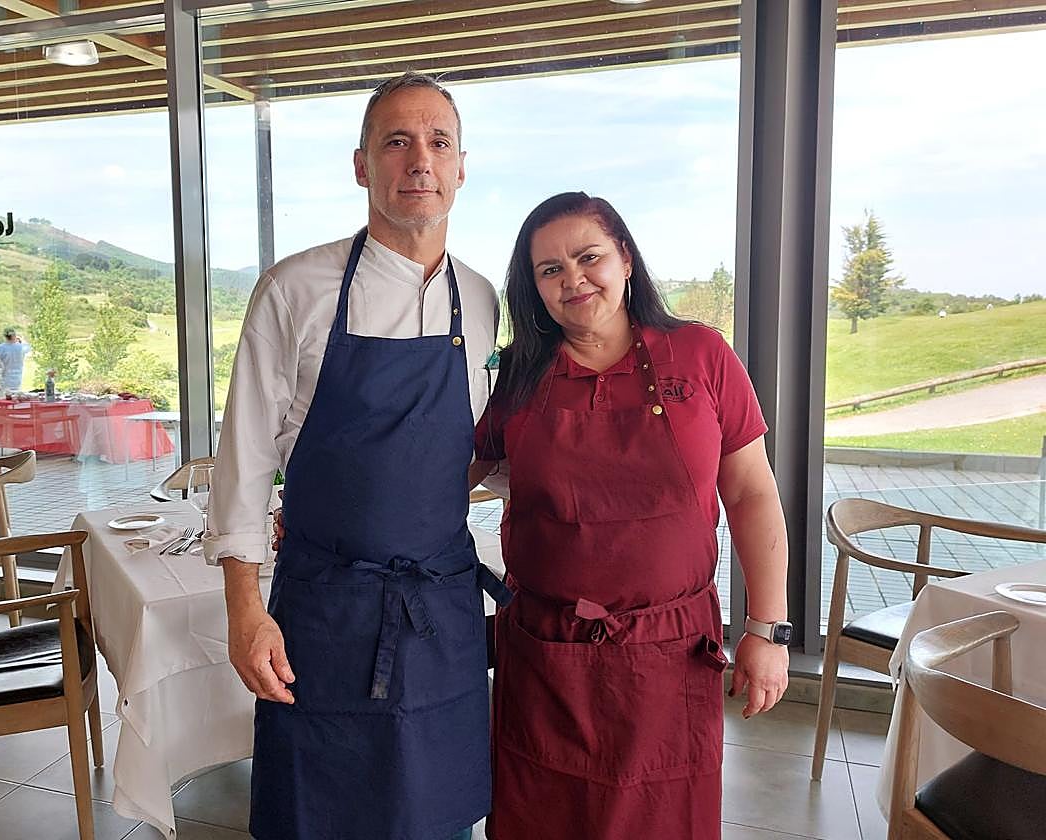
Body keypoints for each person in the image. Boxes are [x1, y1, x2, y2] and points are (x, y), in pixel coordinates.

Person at [204, 72, 503, 840]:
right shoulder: (294, 290)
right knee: (319, 815)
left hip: (440, 611)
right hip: (326, 612)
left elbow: (463, 446)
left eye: (438, 142)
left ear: (461, 167)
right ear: (362, 166)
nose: (420, 160)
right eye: (396, 141)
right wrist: (244, 611)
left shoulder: (481, 298)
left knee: (438, 818)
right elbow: (243, 462)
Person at [469, 192, 790, 840]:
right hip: (546, 657)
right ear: (534, 289)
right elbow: (442, 479)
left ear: (625, 259)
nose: (573, 279)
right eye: (550, 269)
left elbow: (752, 493)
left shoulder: (701, 354)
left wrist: (768, 629)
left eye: (588, 257)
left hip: (671, 657)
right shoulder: (515, 378)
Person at [0, 327, 30, 391]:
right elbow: (28, 347)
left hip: (5, 377)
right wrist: (20, 339)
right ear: (15, 335)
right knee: (16, 394)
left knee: (5, 394)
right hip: (18, 378)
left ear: (5, 336)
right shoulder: (21, 347)